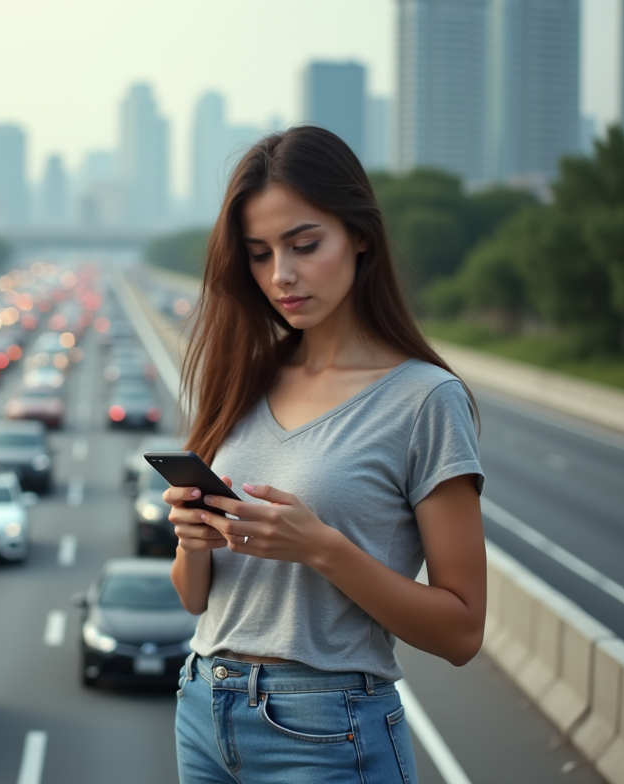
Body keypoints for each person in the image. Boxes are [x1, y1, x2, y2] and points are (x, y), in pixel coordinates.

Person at [167, 126, 486, 784]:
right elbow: (196, 600)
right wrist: (192, 540)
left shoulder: (425, 399)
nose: (281, 275)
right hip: (204, 703)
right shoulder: (242, 378)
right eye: (258, 254)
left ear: (360, 235)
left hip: (327, 728)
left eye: (304, 245)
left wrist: (320, 547)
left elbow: (461, 632)